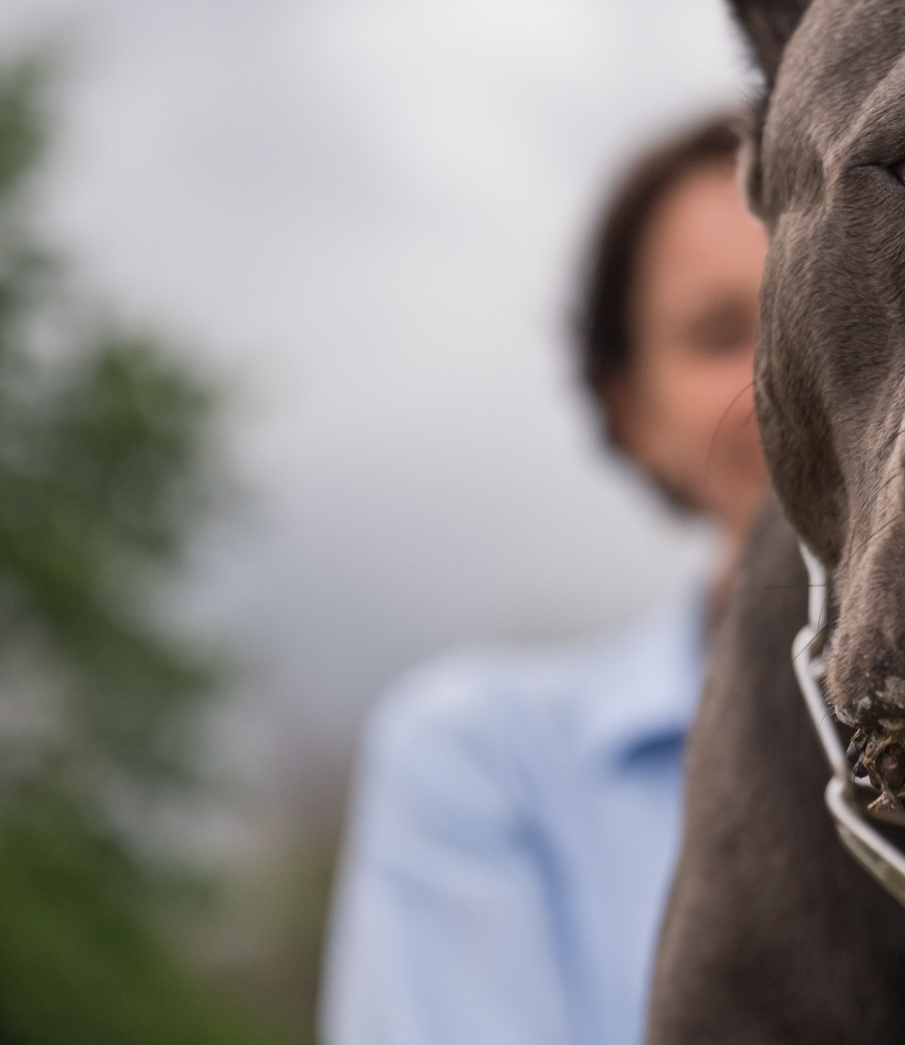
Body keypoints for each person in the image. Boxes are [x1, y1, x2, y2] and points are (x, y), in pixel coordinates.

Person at [320, 113, 768, 1045]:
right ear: (631, 409)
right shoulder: (490, 764)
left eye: (830, 299)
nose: (786, 376)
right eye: (719, 332)